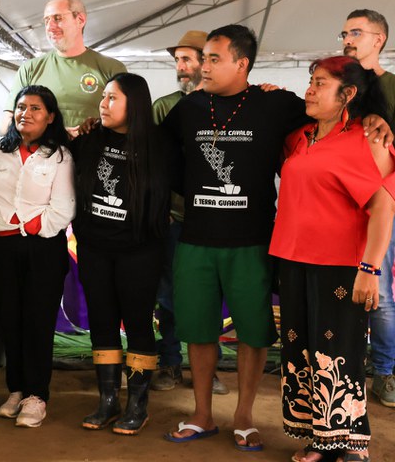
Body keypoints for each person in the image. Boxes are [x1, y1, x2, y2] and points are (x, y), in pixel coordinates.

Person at [162, 25, 392, 452]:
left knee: (265, 335)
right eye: (201, 58)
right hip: (221, 243)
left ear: (242, 63)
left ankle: (256, 420)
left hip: (262, 245)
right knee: (217, 334)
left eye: (213, 58)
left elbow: (375, 188)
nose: (203, 66)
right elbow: (160, 151)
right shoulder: (193, 108)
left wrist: (374, 118)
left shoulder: (279, 105)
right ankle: (204, 415)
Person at [270, 56, 395, 462]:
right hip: (292, 260)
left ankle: (351, 445)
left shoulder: (367, 139)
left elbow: (384, 207)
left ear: (348, 94)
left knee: (339, 353)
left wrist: (370, 268)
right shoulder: (300, 137)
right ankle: (320, 440)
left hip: (340, 265)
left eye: (320, 83)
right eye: (311, 80)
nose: (310, 88)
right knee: (301, 352)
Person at [72, 72, 171, 435]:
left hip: (140, 254)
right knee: (102, 322)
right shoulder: (89, 140)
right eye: (103, 96)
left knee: (139, 324)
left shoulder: (160, 145)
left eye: (113, 97)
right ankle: (107, 401)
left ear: (136, 103)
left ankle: (138, 405)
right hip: (96, 250)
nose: (104, 103)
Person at [0, 85, 75, 428]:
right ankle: (17, 389)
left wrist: (34, 227)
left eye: (36, 108)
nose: (27, 113)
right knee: (10, 319)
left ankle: (37, 396)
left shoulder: (60, 156)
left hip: (43, 248)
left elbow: (64, 206)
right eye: (21, 107)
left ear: (50, 116)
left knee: (38, 322)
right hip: (1, 248)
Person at [150, 29, 229, 396]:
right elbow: (153, 162)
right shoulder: (164, 106)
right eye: (177, 60)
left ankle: (206, 370)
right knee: (168, 295)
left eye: (187, 59)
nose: (180, 66)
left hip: (216, 219)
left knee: (208, 297)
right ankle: (169, 363)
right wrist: (160, 208)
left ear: (208, 62)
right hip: (175, 219)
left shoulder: (231, 104)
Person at [340, 8, 395, 408]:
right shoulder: (339, 86)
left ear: (379, 39)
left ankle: (386, 373)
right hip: (338, 207)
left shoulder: (392, 87)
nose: (347, 38)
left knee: (379, 294)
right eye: (343, 32)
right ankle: (345, 371)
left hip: (381, 206)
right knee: (338, 292)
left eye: (356, 32)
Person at [4, 0, 126, 132]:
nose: (50, 26)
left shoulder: (112, 68)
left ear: (80, 19)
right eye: (46, 20)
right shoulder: (30, 69)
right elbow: (7, 123)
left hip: (93, 152)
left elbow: (126, 123)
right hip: (44, 153)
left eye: (57, 18)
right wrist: (57, 135)